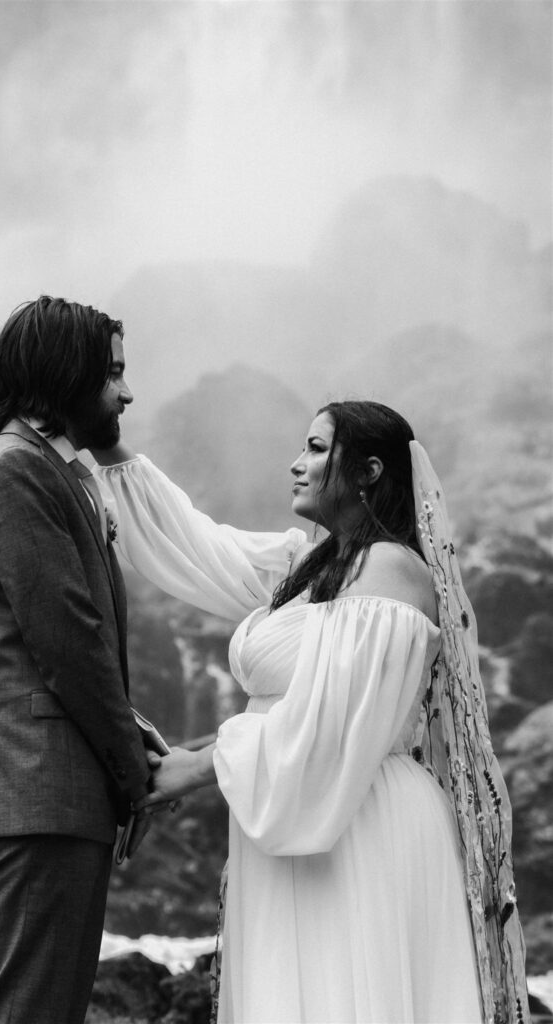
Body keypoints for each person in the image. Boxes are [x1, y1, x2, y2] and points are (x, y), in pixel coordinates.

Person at [91, 400, 530, 1024]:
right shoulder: (310, 568)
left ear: (369, 471)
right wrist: (106, 444)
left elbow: (330, 718)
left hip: (358, 811)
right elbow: (194, 543)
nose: (297, 464)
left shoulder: (392, 569)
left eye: (317, 449)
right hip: (294, 801)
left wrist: (194, 768)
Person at [0, 296, 151, 1024]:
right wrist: (135, 776)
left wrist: (133, 733)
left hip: (50, 795)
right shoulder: (14, 473)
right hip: (37, 791)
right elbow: (70, 643)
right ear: (65, 375)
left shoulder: (46, 470)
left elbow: (57, 646)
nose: (125, 392)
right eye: (111, 374)